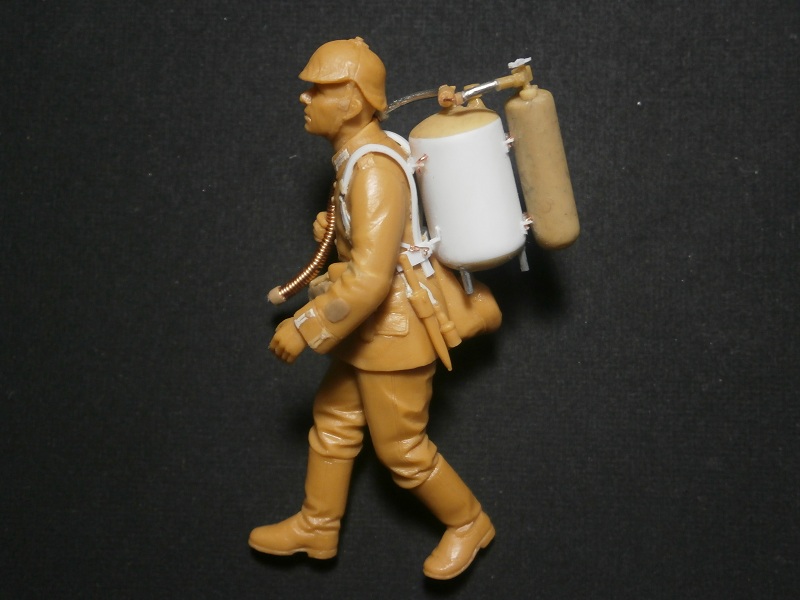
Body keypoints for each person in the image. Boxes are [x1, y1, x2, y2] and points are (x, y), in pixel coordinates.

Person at [249, 37, 499, 580]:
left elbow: (369, 281)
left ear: (353, 101)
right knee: (335, 423)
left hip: (393, 333)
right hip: (368, 335)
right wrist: (337, 228)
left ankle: (468, 522)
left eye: (319, 89)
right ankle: (318, 525)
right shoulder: (360, 158)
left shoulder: (373, 170)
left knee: (403, 450)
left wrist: (305, 325)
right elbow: (376, 242)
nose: (305, 98)